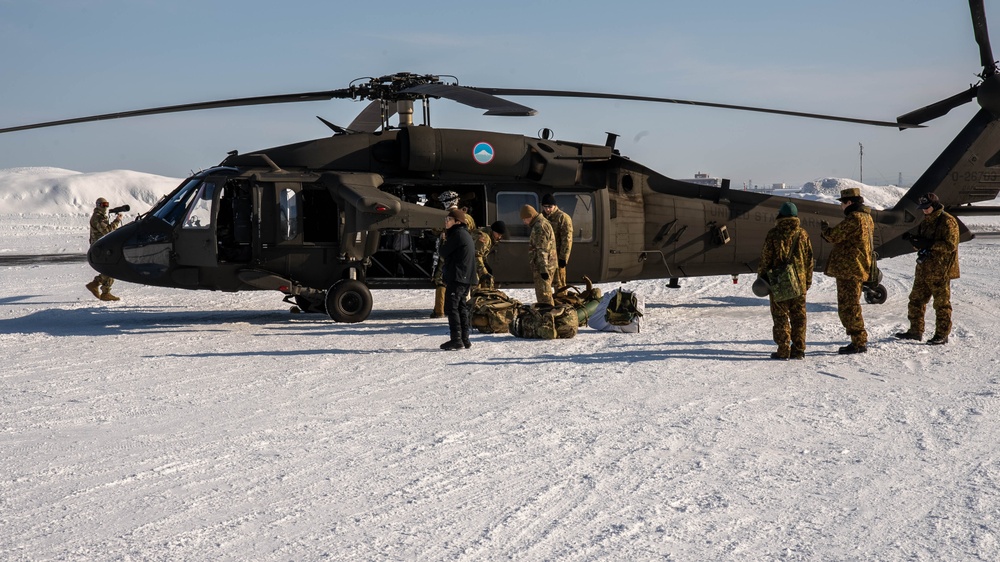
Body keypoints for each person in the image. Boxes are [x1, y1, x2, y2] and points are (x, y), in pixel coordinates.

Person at [895, 192, 960, 345]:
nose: (924, 210)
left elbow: (950, 246)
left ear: (934, 205)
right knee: (915, 300)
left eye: (926, 207)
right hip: (924, 269)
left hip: (940, 270)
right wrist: (914, 240)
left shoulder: (947, 221)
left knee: (941, 304)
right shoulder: (926, 221)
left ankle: (942, 335)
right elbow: (922, 243)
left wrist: (930, 244)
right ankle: (915, 331)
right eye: (922, 208)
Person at [821, 187, 875, 354]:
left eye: (843, 203)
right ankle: (858, 340)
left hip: (850, 270)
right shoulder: (867, 218)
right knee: (851, 305)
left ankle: (859, 342)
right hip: (857, 268)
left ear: (850, 202)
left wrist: (825, 230)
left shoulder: (854, 219)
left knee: (849, 307)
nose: (841, 206)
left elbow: (834, 236)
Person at [758, 202, 814, 360]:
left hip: (778, 283)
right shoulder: (803, 234)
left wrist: (762, 279)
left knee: (781, 316)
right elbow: (810, 260)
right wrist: (807, 281)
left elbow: (765, 260)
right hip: (799, 283)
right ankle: (799, 350)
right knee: (799, 317)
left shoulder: (774, 234)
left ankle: (783, 350)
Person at [430, 191, 475, 318]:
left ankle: (439, 310)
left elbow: (434, 231)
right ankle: (464, 307)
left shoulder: (442, 216)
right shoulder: (468, 217)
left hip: (447, 250)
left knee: (440, 280)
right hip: (464, 253)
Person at [438, 208, 477, 350]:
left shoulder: (457, 234)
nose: (446, 222)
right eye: (446, 220)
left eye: (449, 220)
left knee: (451, 307)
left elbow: (443, 252)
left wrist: (442, 241)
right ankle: (464, 339)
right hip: (465, 277)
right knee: (460, 307)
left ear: (457, 222)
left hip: (458, 277)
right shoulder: (463, 233)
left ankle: (456, 339)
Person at [86, 197, 123, 301]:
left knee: (111, 267)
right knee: (111, 267)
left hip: (102, 246)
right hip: (100, 247)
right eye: (103, 205)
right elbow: (107, 231)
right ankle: (102, 289)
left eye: (107, 204)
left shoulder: (101, 216)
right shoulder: (97, 217)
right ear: (98, 205)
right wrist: (117, 221)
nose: (105, 207)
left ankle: (98, 286)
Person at [520, 204, 557, 306]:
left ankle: (548, 318)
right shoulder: (541, 223)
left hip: (543, 267)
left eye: (524, 219)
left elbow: (542, 250)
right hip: (544, 266)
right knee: (544, 295)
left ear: (530, 216)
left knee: (544, 297)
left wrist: (543, 269)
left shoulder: (539, 226)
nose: (524, 222)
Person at [540, 193, 573, 289]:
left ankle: (562, 302)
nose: (547, 209)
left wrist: (563, 258)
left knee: (559, 285)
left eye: (549, 206)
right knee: (545, 285)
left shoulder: (562, 218)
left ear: (554, 206)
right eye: (545, 207)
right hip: (545, 259)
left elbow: (567, 239)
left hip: (558, 258)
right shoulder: (542, 218)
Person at [472, 220, 506, 289]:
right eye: (498, 234)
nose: (499, 237)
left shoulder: (487, 234)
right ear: (494, 231)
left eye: (501, 235)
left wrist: (487, 267)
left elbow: (482, 255)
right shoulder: (485, 238)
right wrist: (484, 272)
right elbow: (477, 256)